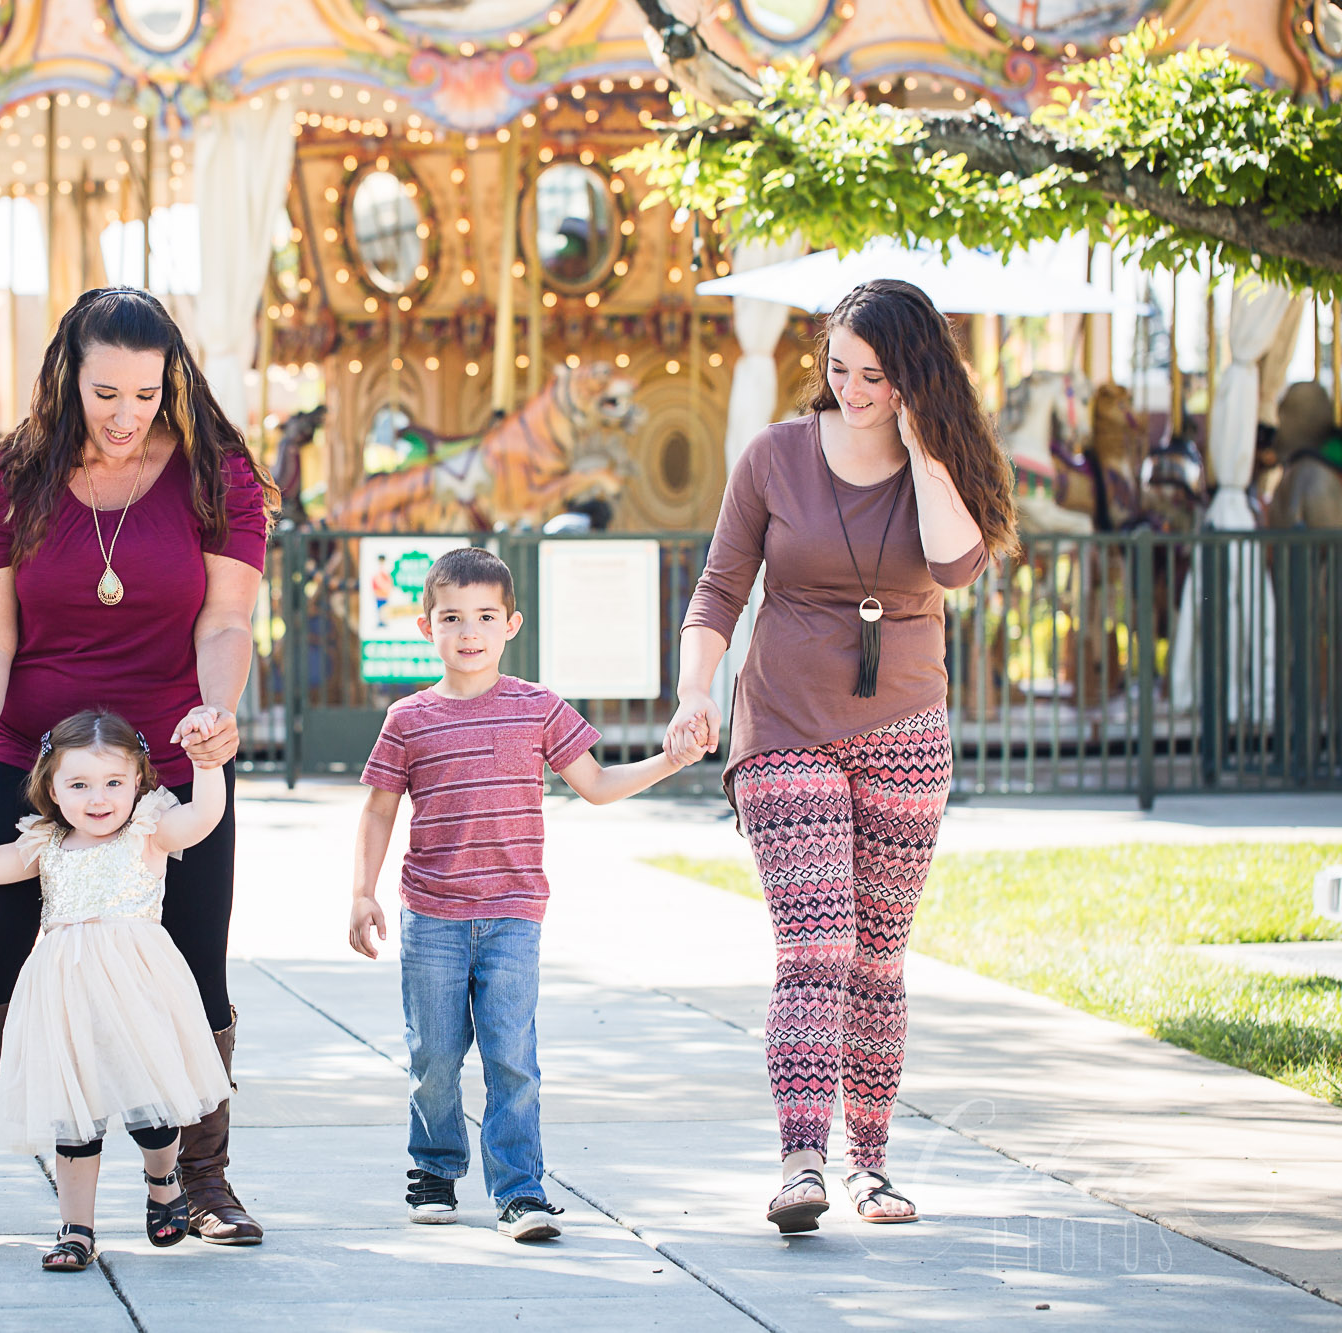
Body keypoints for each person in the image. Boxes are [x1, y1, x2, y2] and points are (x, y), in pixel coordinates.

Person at [0, 287, 277, 1243]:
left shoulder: (217, 477)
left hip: (163, 761)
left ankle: (203, 1179)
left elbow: (226, 618)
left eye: (147, 395)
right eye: (105, 391)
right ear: (68, 375)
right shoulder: (9, 479)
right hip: (28, 759)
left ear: (174, 382)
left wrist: (215, 716)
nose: (125, 417)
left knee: (193, 966)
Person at [665, 279, 1017, 1233]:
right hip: (783, 723)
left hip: (905, 729)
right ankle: (801, 1158)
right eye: (838, 370)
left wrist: (925, 445)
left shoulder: (944, 462)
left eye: (874, 375)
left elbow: (951, 565)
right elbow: (720, 587)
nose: (851, 390)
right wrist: (696, 691)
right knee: (816, 943)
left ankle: (871, 1161)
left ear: (912, 376)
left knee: (878, 958)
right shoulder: (775, 456)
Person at [348, 547, 708, 1241]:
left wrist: (672, 758)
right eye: (451, 617)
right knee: (434, 1055)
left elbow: (597, 786)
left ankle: (521, 1189)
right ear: (427, 627)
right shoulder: (409, 719)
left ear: (511, 623)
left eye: (484, 615)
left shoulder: (538, 707)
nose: (469, 630)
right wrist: (361, 892)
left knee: (513, 1056)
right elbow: (378, 810)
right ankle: (434, 1167)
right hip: (433, 916)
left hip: (514, 914)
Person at [0, 709, 233, 1271]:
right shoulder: (46, 842)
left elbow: (204, 817)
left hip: (137, 993)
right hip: (65, 998)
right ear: (51, 787)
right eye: (78, 784)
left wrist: (208, 765)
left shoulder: (150, 828)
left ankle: (164, 1181)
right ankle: (77, 1229)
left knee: (152, 1114)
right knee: (75, 1121)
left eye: (113, 783)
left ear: (138, 782)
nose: (98, 798)